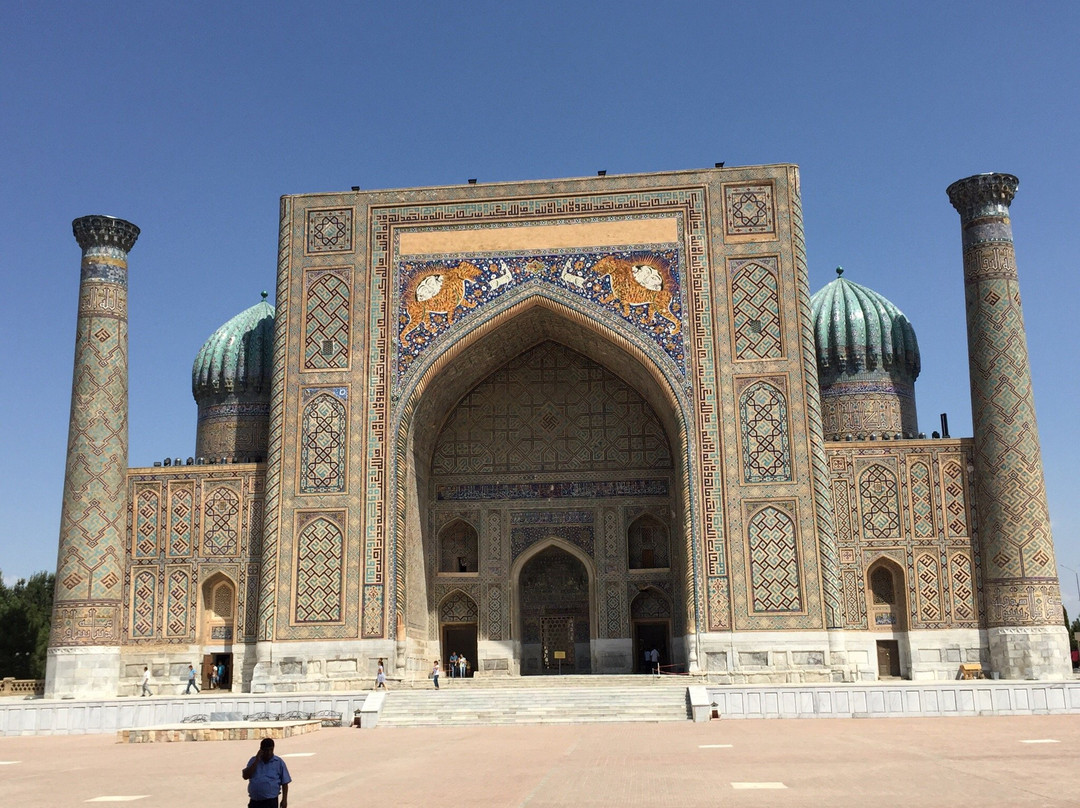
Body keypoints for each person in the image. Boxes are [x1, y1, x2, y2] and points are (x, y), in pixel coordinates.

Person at [242, 737, 291, 808]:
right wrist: (256, 760)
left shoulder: (278, 762)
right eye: (266, 750)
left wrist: (284, 800)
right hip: (255, 801)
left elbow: (285, 783)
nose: (269, 753)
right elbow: (245, 776)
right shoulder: (253, 761)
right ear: (261, 750)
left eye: (271, 749)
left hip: (270, 801)